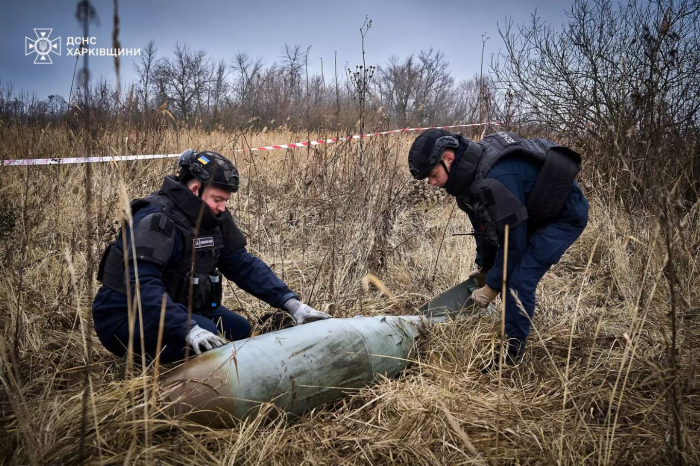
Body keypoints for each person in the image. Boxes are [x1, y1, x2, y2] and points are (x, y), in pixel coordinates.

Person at [93, 149, 330, 363]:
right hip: (124, 316)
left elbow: (241, 264)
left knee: (238, 331)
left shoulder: (212, 217)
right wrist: (189, 329)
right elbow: (141, 284)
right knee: (208, 336)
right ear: (195, 189)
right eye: (218, 199)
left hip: (179, 308)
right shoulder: (157, 218)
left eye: (226, 201)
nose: (222, 208)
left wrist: (292, 304)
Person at [408, 129, 589, 365]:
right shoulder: (465, 182)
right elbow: (484, 228)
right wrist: (486, 267)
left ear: (448, 158)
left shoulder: (492, 181)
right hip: (530, 214)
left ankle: (510, 357)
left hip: (563, 217)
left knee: (517, 280)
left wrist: (492, 286)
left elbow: (512, 240)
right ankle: (511, 327)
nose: (431, 183)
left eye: (432, 175)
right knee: (506, 272)